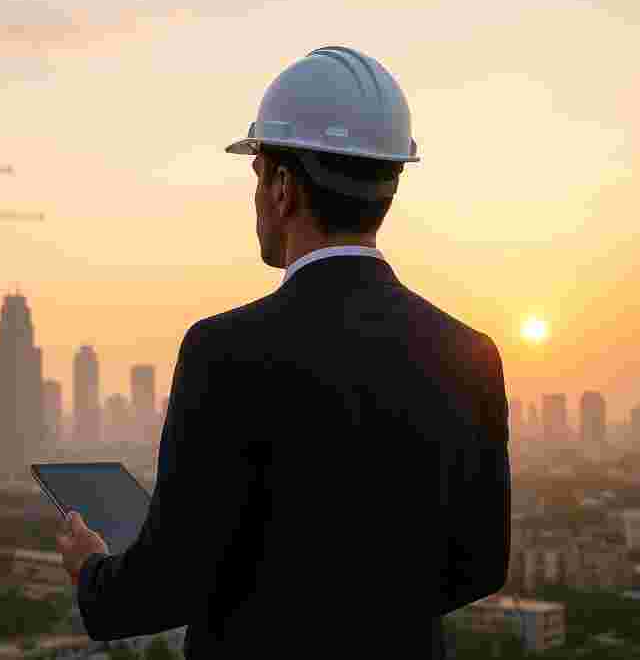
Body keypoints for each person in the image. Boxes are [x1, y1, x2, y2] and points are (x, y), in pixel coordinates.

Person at [56, 46, 510, 659]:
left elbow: (161, 588)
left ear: (283, 187)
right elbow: (480, 566)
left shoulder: (226, 352)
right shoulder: (470, 354)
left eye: (257, 174)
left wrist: (91, 571)